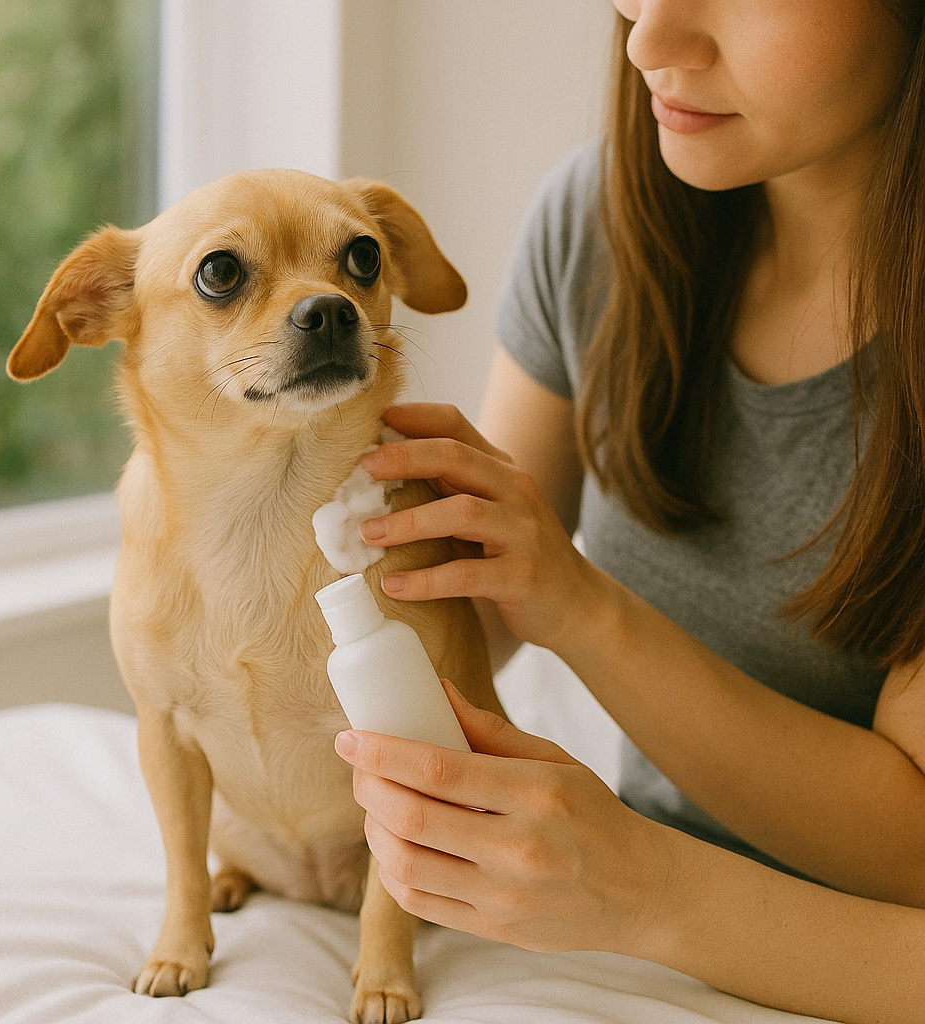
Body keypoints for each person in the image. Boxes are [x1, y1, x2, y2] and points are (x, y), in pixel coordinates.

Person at [332, 2, 925, 1022]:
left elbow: (914, 849)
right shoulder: (601, 222)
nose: (646, 38)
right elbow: (473, 614)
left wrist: (640, 885)